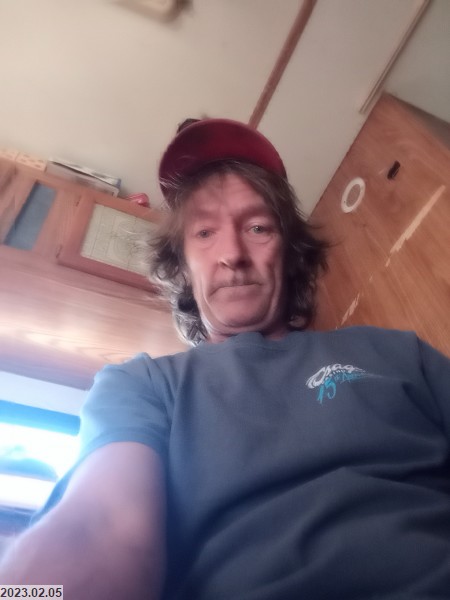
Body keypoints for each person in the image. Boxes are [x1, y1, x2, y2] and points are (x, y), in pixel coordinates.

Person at [1, 118, 450, 600]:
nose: (232, 253)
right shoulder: (143, 386)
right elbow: (100, 525)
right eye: (204, 232)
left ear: (290, 254)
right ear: (182, 265)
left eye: (257, 227)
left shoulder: (396, 352)